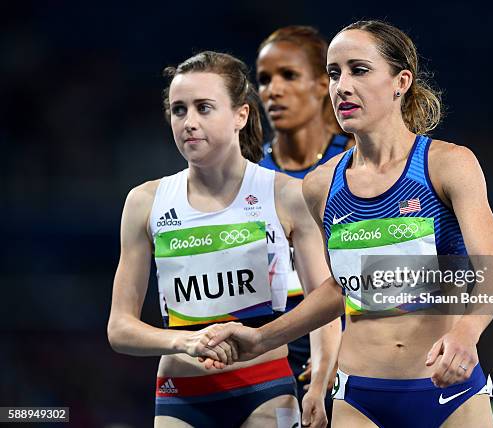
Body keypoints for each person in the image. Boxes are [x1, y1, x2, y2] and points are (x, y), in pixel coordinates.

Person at [204, 20, 493, 428]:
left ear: (401, 81)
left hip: (449, 393)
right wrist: (261, 338)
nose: (341, 86)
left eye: (358, 70)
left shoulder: (447, 164)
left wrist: (467, 333)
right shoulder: (319, 186)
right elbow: (341, 287)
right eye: (333, 73)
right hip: (359, 399)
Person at [107, 51, 334, 428]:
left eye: (204, 108)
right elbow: (119, 328)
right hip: (182, 393)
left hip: (264, 386)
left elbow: (325, 300)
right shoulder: (145, 202)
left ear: (240, 116)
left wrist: (320, 381)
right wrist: (185, 342)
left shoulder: (286, 195)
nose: (189, 122)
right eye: (179, 110)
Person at [256, 25, 347, 417]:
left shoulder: (356, 162)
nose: (272, 90)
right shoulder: (246, 174)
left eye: (288, 76)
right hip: (269, 345)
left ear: (322, 84)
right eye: (263, 79)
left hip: (354, 339)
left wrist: (342, 349)